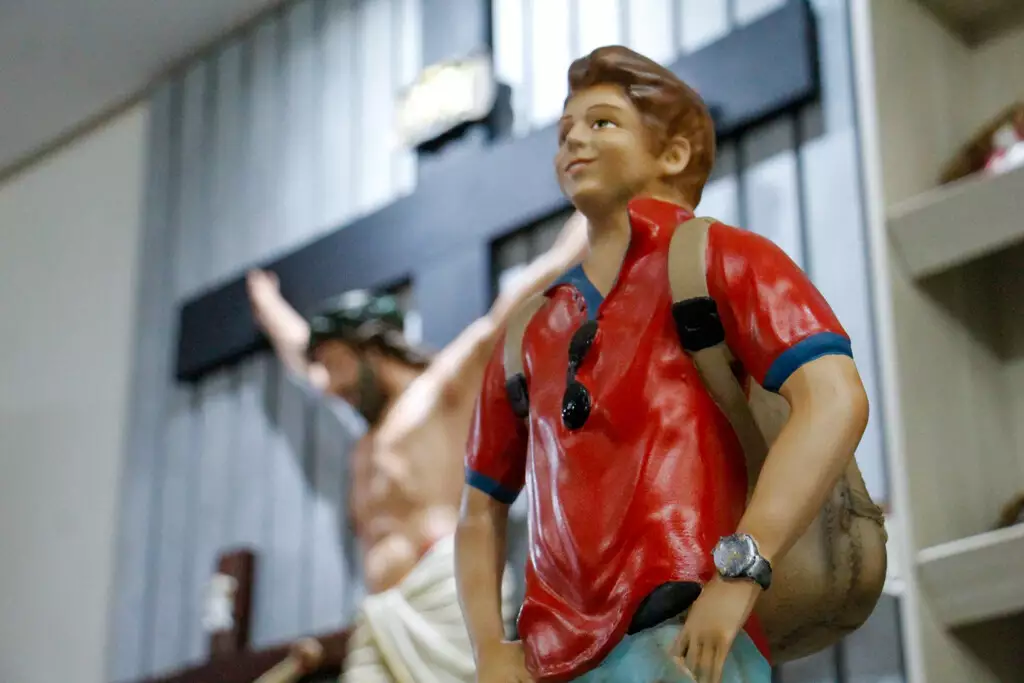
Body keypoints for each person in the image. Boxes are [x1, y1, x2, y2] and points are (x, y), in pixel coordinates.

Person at [456, 46, 872, 683]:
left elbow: (834, 399)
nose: (574, 141)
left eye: (602, 122)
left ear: (673, 154)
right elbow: (479, 506)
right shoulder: (530, 331)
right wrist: (489, 646)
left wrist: (739, 574)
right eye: (565, 131)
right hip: (552, 657)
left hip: (684, 636)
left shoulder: (720, 258)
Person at [245, 211, 589, 683]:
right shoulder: (371, 435)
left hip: (444, 600)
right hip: (383, 615)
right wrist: (268, 306)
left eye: (335, 364)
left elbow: (521, 300)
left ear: (371, 350)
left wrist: (598, 208)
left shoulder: (442, 392)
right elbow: (302, 359)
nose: (328, 384)